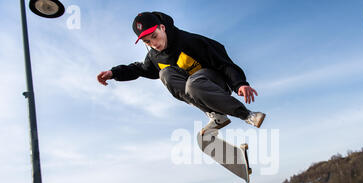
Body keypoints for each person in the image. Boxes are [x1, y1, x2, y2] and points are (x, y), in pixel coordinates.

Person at [97, 11, 266, 135]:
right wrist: (113, 73)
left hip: (216, 84)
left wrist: (240, 83)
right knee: (165, 74)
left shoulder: (189, 41)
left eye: (155, 37)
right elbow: (139, 69)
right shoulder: (154, 56)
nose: (154, 43)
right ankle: (216, 116)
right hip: (199, 92)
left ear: (162, 28)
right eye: (147, 42)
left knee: (194, 83)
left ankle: (247, 115)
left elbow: (222, 61)